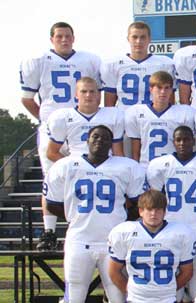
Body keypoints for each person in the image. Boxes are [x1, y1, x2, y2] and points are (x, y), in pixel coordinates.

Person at [43, 125, 145, 303]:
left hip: (113, 242)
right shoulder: (66, 166)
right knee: (75, 294)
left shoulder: (126, 167)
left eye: (105, 138)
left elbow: (135, 204)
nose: (100, 141)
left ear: (112, 143)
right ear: (86, 140)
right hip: (80, 238)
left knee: (117, 294)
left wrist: (117, 224)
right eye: (95, 137)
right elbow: (53, 203)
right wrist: (75, 216)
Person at [19, 22, 101, 251]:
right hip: (52, 128)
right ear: (52, 39)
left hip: (80, 128)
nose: (64, 40)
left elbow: (96, 93)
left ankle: (89, 228)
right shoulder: (38, 60)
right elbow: (27, 99)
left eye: (68, 36)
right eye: (59, 36)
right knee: (51, 179)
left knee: (88, 176)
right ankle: (49, 232)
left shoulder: (89, 61)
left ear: (74, 38)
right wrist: (46, 121)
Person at [107, 190, 194, 303]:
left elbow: (187, 271)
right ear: (140, 211)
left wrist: (168, 289)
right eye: (149, 210)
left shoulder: (180, 233)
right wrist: (131, 290)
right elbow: (114, 271)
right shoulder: (125, 232)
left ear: (164, 211)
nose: (153, 214)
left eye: (158, 210)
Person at [146, 125, 196, 301]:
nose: (182, 143)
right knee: (175, 283)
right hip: (170, 226)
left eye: (186, 139)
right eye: (178, 140)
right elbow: (156, 202)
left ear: (193, 141)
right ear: (173, 142)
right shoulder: (160, 165)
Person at [100, 21, 175, 156]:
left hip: (153, 120)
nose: (138, 41)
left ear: (149, 39)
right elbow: (109, 102)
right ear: (128, 38)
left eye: (143, 37)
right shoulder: (114, 64)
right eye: (134, 37)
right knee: (126, 162)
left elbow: (170, 98)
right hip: (125, 121)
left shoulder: (164, 63)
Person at [124, 71, 195, 167]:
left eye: (167, 88)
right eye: (159, 88)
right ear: (151, 89)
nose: (163, 92)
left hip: (173, 167)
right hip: (146, 167)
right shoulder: (137, 112)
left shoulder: (184, 113)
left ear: (171, 90)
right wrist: (137, 169)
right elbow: (135, 149)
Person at [46, 77, 124, 161]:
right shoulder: (63, 117)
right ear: (76, 94)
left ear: (98, 94)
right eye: (83, 91)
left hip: (106, 165)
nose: (88, 95)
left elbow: (117, 152)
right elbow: (51, 153)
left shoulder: (113, 115)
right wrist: (70, 167)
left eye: (92, 91)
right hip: (77, 163)